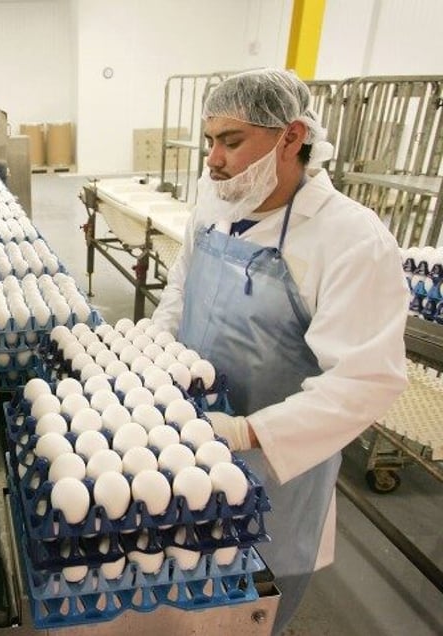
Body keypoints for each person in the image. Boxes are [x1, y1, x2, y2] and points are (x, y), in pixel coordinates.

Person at [152, 69, 408, 633]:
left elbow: (365, 380)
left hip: (275, 480)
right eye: (209, 141)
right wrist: (150, 354)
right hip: (184, 452)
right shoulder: (212, 210)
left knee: (249, 609)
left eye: (232, 141)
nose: (213, 159)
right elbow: (178, 295)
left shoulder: (349, 240)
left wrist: (247, 433)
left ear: (291, 137)